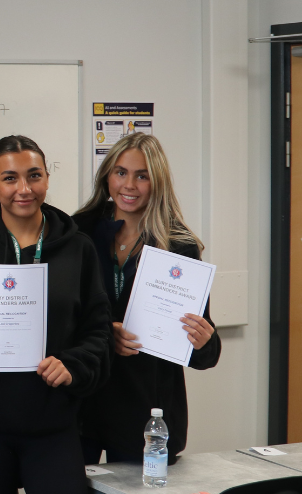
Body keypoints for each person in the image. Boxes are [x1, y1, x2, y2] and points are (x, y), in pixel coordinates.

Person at [0, 136, 111, 493]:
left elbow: (98, 330)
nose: (24, 189)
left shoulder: (78, 249)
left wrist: (72, 365)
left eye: (34, 175)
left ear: (46, 179)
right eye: (10, 178)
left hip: (53, 424)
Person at [73, 133, 219, 463]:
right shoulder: (79, 231)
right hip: (83, 404)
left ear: (157, 182)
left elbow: (204, 352)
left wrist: (204, 341)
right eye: (121, 172)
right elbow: (62, 314)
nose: (129, 185)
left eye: (142, 176)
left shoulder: (179, 245)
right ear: (107, 176)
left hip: (145, 412)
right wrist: (104, 333)